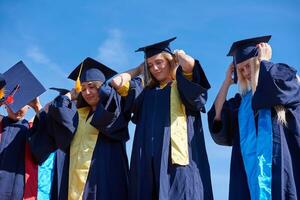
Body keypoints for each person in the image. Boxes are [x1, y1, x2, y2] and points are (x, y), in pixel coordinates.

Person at [111, 37, 213, 200]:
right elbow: (116, 83)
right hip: (147, 161)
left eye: (159, 62)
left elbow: (190, 67)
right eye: (150, 65)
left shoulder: (182, 85)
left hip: (176, 160)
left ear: (170, 61)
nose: (155, 68)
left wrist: (180, 56)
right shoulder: (144, 93)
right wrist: (139, 69)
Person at [207, 35, 300, 199]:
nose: (245, 72)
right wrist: (227, 81)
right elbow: (217, 117)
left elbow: (274, 91)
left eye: (248, 66)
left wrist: (264, 62)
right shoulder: (241, 103)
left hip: (278, 165)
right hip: (248, 173)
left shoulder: (283, 78)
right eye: (241, 69)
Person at [29, 57, 129, 200]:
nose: (87, 92)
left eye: (92, 87)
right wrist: (70, 94)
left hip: (102, 181)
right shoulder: (78, 116)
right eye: (83, 89)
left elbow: (112, 93)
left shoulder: (113, 110)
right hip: (74, 183)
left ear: (101, 87)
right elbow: (58, 112)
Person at [0, 61, 45, 200]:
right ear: (5, 105)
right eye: (13, 103)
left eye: (24, 104)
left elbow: (48, 134)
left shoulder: (32, 129)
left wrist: (38, 107)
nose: (19, 108)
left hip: (20, 190)